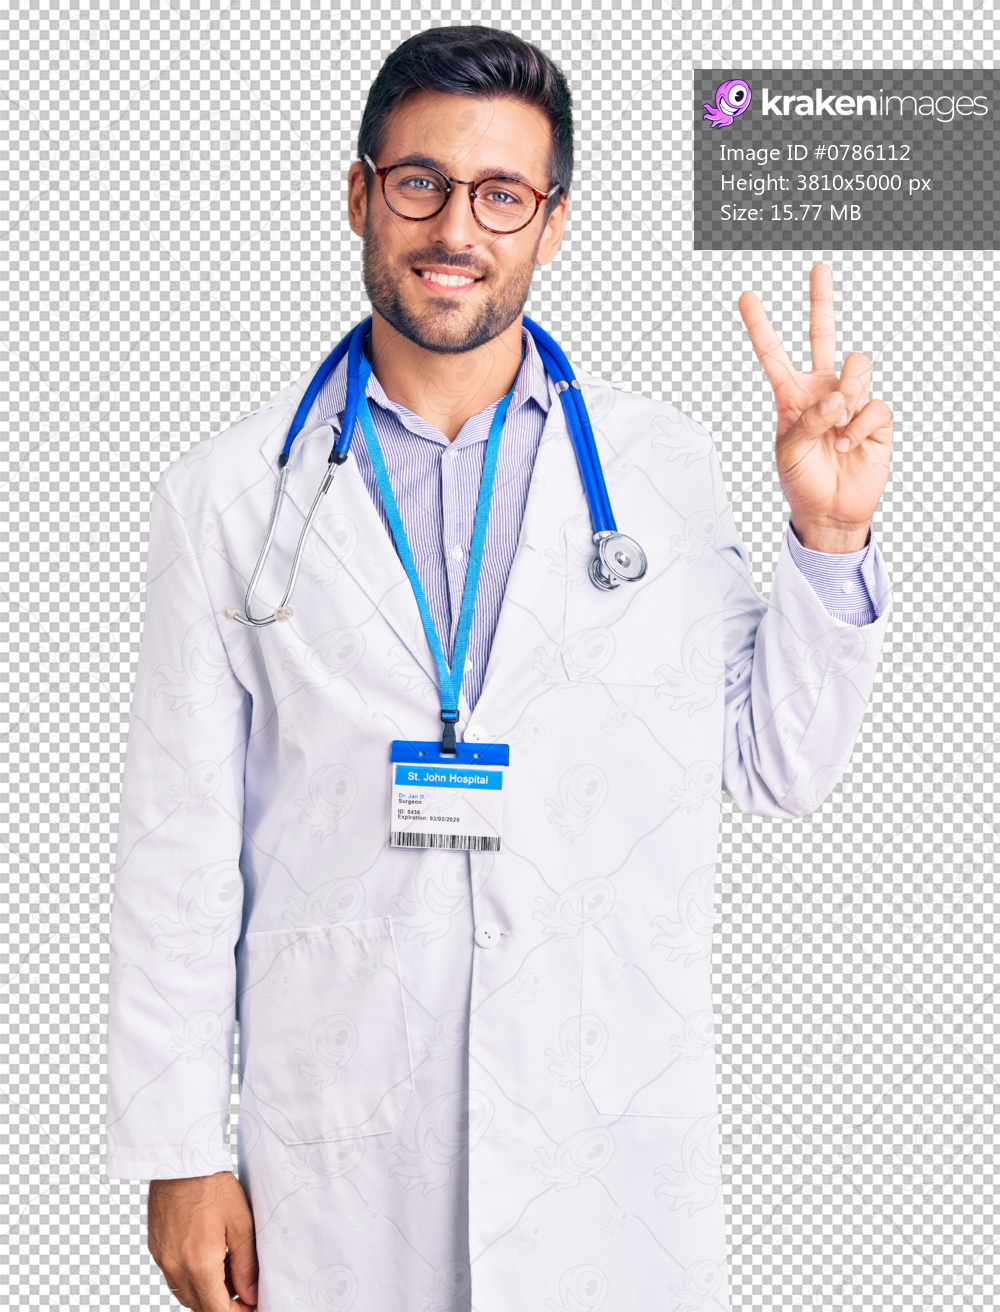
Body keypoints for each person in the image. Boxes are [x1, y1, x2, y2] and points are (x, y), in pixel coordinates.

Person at [105, 25, 893, 1312]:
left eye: (500, 195)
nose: (452, 228)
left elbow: (778, 766)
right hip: (341, 1146)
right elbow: (177, 854)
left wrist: (831, 532)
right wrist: (181, 1152)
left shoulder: (659, 469)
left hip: (605, 1145)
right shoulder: (227, 497)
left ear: (552, 223)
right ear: (360, 193)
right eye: (418, 182)